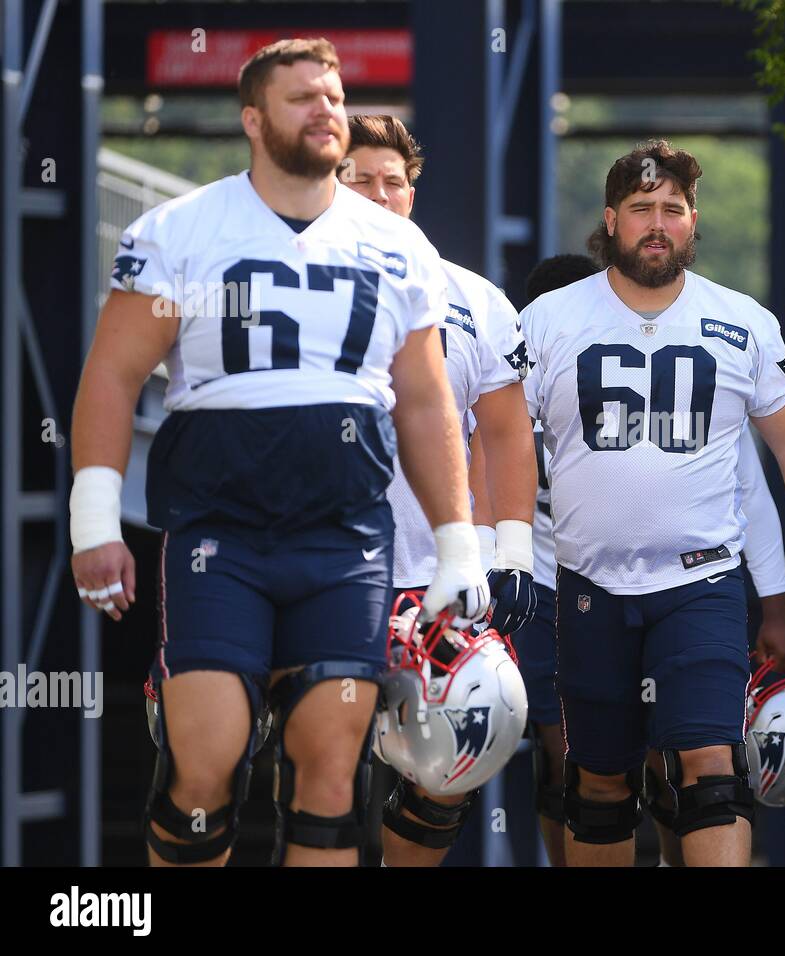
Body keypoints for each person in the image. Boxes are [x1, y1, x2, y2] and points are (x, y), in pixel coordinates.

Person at [70, 39, 488, 867]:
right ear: (253, 120)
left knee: (334, 775)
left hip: (346, 538)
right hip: (219, 534)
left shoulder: (399, 247)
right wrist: (93, 518)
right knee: (205, 761)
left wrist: (457, 540)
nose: (325, 111)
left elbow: (427, 399)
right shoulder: (181, 233)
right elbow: (113, 376)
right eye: (302, 98)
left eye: (333, 96)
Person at [521, 140, 785, 867]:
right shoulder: (549, 319)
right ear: (610, 220)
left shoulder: (741, 321)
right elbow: (501, 443)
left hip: (701, 581)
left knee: (710, 771)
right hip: (587, 583)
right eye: (642, 209)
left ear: (693, 222)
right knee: (600, 785)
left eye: (671, 210)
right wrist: (496, 548)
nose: (657, 224)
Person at [519, 254, 785, 867]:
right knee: (576, 765)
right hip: (549, 584)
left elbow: (748, 492)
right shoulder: (525, 371)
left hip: (671, 579)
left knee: (687, 762)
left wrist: (777, 603)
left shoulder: (673, 380)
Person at [339, 113, 537, 865]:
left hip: (436, 570)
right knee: (312, 758)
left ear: (412, 196)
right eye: (360, 178)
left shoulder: (475, 299)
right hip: (327, 564)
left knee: (455, 755)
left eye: (394, 182)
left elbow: (506, 432)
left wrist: (508, 548)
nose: (379, 194)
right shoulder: (292, 278)